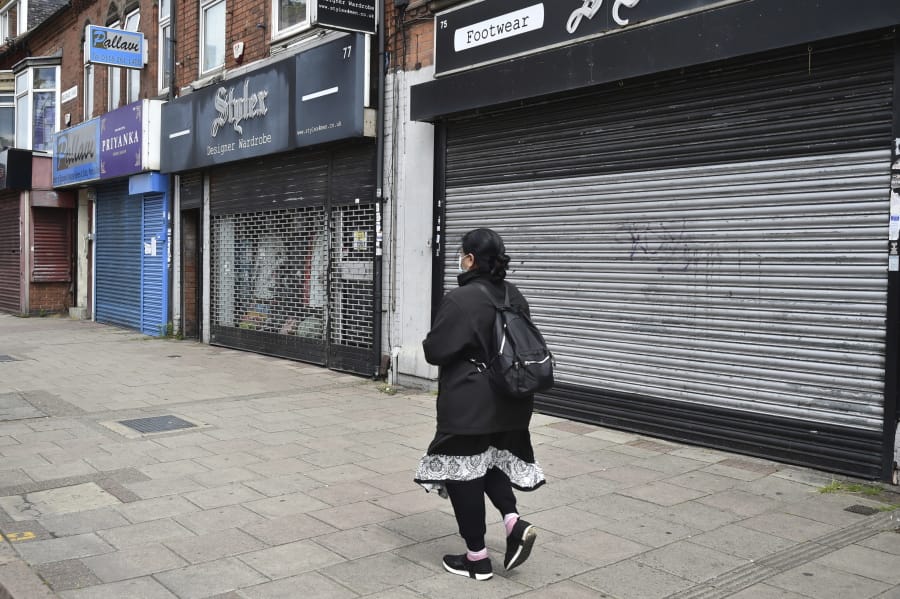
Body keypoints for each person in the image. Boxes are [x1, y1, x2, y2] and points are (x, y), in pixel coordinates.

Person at [414, 228, 546, 581]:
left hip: (471, 405)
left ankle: (477, 559)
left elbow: (435, 350)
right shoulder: (514, 295)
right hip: (513, 402)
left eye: (461, 254)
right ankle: (513, 522)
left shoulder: (462, 299)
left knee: (462, 474)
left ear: (470, 259)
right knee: (489, 464)